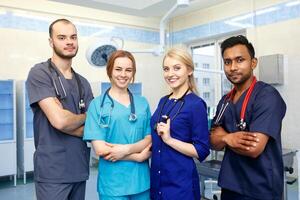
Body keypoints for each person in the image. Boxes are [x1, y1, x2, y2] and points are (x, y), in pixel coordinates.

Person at [210, 35, 286, 200]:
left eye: (240, 60)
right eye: (227, 62)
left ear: (253, 63)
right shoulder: (225, 101)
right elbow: (212, 141)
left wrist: (222, 137)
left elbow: (253, 148)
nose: (233, 67)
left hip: (260, 189)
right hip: (230, 187)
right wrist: (229, 138)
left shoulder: (267, 96)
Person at [26, 19, 93, 200]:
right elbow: (60, 121)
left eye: (73, 37)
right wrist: (85, 116)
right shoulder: (40, 74)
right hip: (52, 173)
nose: (69, 42)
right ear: (51, 42)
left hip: (79, 168)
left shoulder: (83, 83)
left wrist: (67, 121)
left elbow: (93, 128)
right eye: (62, 37)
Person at [83, 50, 152, 200]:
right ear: (110, 71)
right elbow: (101, 149)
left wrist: (125, 150)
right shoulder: (97, 105)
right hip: (112, 184)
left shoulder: (142, 104)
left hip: (141, 182)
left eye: (128, 70)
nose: (123, 74)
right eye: (118, 69)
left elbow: (149, 139)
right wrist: (137, 157)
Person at [150, 48, 210, 200]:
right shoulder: (163, 101)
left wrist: (169, 140)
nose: (170, 74)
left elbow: (202, 150)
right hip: (157, 183)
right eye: (166, 69)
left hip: (180, 186)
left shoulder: (196, 104)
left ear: (189, 70)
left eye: (177, 68)